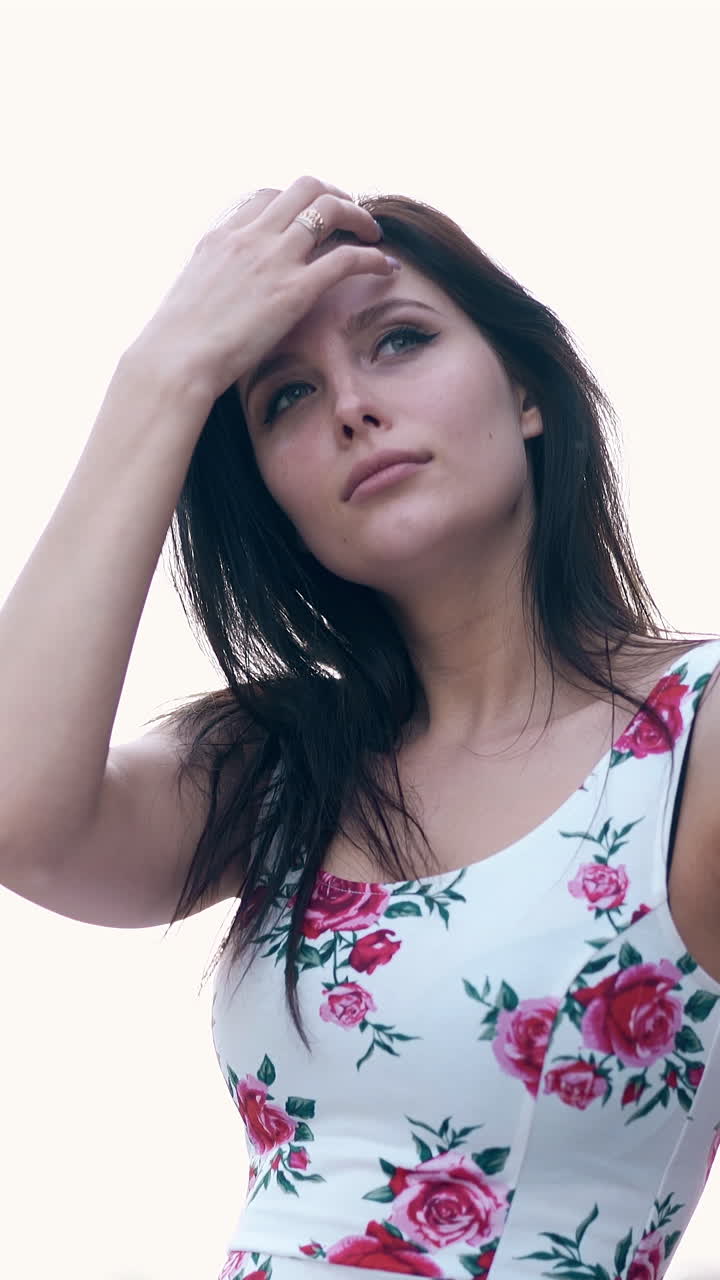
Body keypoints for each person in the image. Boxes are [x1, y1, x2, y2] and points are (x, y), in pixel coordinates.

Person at [1, 176, 719, 1280]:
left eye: (398, 340)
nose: (349, 406)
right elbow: (19, 815)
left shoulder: (694, 737)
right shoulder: (285, 762)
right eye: (284, 397)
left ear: (525, 388)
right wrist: (165, 371)